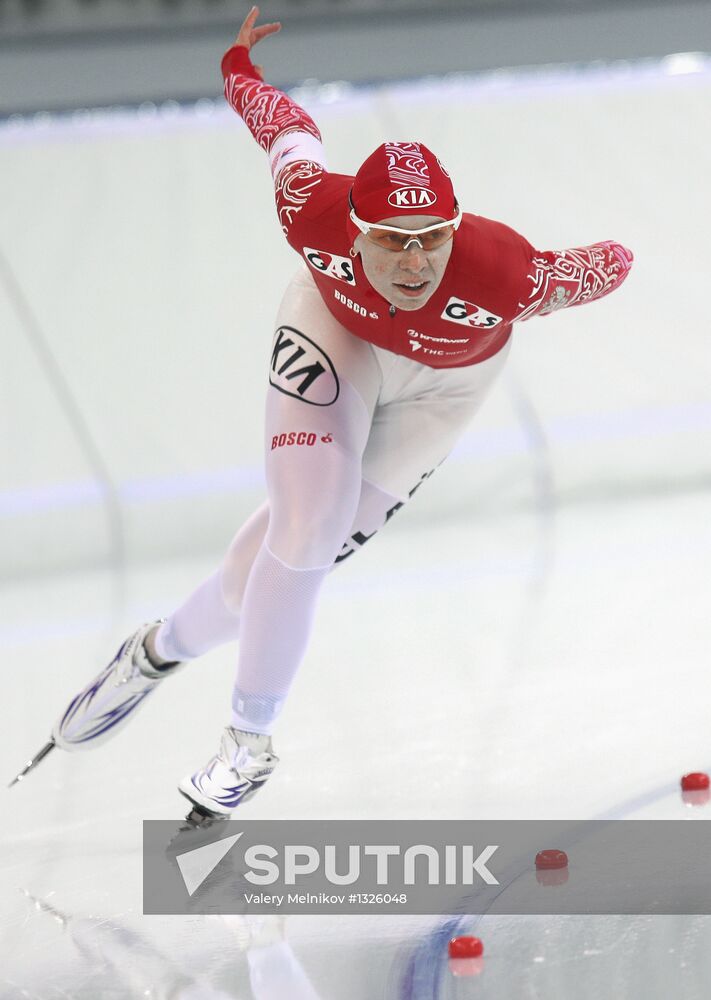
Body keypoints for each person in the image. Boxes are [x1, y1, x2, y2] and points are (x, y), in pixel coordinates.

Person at [43, 7, 633, 822]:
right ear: (351, 232)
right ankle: (248, 745)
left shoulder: (507, 274)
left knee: (275, 569)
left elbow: (608, 266)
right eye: (390, 239)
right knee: (308, 523)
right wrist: (237, 63)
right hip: (336, 333)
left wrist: (616, 257)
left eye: (431, 238)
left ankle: (154, 652)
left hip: (445, 390)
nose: (414, 260)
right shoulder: (307, 206)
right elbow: (283, 127)